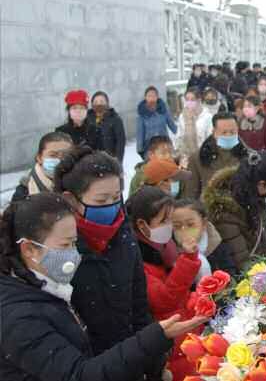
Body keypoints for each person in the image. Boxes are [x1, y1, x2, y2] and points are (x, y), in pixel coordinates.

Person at [0, 193, 206, 381]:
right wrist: (151, 339)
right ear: (29, 249)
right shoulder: (18, 316)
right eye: (64, 245)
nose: (73, 253)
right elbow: (78, 375)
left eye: (74, 243)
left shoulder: (50, 286)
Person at [53, 147, 171, 380]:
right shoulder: (60, 250)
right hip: (89, 368)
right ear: (71, 200)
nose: (111, 206)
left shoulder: (124, 235)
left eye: (116, 198)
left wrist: (153, 358)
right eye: (101, 200)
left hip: (131, 359)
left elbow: (139, 306)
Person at [126, 187, 207, 381]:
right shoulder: (135, 259)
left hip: (184, 337)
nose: (169, 226)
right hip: (169, 347)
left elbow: (180, 293)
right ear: (142, 225)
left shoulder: (165, 247)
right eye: (163, 221)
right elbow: (165, 299)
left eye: (170, 220)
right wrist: (188, 260)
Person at [202, 151, 266, 269]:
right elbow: (241, 261)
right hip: (243, 280)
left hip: (259, 267)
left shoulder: (253, 197)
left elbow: (265, 239)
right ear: (261, 184)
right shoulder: (224, 212)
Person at [184, 112, 248, 200]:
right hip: (209, 211)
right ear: (214, 132)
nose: (228, 136)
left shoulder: (248, 157)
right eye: (224, 132)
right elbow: (190, 195)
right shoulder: (198, 159)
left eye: (232, 132)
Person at [173, 199, 238, 277]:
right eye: (177, 226)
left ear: (203, 224)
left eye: (190, 224)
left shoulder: (218, 248)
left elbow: (231, 277)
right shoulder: (170, 254)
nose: (184, 230)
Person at [12, 132, 73, 202]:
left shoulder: (83, 182)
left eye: (66, 155)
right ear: (39, 158)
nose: (60, 160)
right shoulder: (24, 192)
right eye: (53, 155)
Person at [137, 86, 177, 159]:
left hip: (165, 144)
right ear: (145, 97)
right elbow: (140, 133)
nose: (151, 98)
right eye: (149, 96)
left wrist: (180, 134)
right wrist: (140, 150)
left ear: (157, 97)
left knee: (168, 166)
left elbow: (172, 125)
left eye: (154, 96)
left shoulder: (163, 110)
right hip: (150, 146)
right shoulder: (142, 114)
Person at [175, 87, 214, 162]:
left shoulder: (207, 117)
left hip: (202, 155)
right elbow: (179, 136)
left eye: (192, 100)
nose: (189, 102)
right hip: (185, 156)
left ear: (199, 100)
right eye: (187, 99)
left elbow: (210, 138)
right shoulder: (182, 116)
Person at [88, 91, 126, 164]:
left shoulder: (115, 119)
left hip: (110, 159)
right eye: (96, 102)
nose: (99, 104)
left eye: (102, 101)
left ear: (107, 103)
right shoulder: (87, 119)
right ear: (92, 104)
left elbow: (120, 142)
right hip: (91, 161)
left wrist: (118, 161)